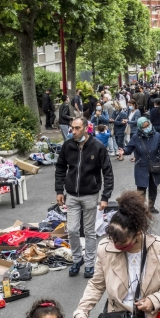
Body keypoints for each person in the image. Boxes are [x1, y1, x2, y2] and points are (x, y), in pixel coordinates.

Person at [55, 116, 114, 278]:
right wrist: (59, 190)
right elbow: (60, 168)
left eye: (77, 128)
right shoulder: (67, 146)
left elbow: (107, 172)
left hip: (90, 194)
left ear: (86, 128)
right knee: (73, 230)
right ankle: (77, 259)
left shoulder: (98, 146)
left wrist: (105, 197)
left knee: (89, 231)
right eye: (72, 128)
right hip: (72, 195)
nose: (73, 131)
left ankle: (89, 264)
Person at [119, 117, 160, 213]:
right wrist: (124, 151)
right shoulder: (136, 137)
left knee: (153, 187)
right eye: (144, 127)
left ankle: (151, 207)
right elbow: (129, 148)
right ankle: (141, 208)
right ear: (140, 128)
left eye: (148, 125)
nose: (147, 127)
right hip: (141, 166)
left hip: (154, 165)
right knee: (141, 188)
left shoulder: (157, 135)